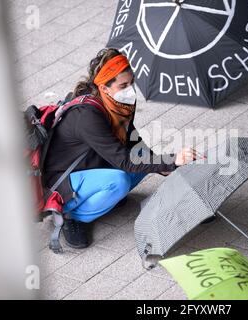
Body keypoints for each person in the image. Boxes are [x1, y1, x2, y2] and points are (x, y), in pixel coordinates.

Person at [43, 48, 198, 249]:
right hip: (62, 179)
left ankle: (99, 200)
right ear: (104, 88)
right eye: (123, 85)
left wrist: (163, 165)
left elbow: (132, 141)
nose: (130, 90)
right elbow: (124, 161)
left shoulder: (118, 104)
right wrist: (171, 159)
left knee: (144, 158)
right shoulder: (87, 117)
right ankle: (72, 216)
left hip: (92, 162)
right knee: (119, 181)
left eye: (131, 83)